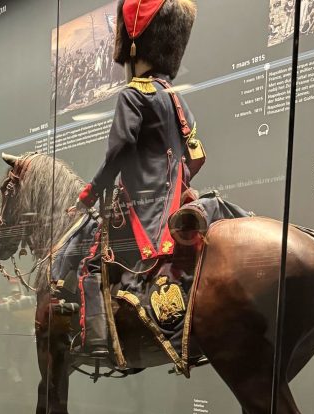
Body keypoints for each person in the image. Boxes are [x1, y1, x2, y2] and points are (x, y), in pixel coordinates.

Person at [73, 0, 205, 358]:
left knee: (88, 262)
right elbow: (196, 155)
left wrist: (89, 193)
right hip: (174, 200)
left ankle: (98, 344)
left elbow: (119, 151)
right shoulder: (175, 98)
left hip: (142, 206)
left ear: (132, 47)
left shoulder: (133, 94)